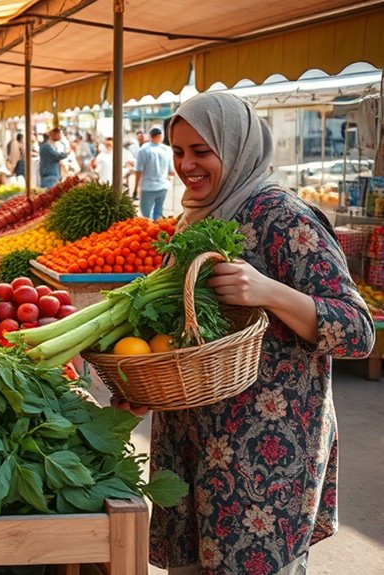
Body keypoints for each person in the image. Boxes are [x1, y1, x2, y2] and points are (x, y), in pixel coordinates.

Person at [112, 92, 374, 575]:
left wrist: (270, 291)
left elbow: (358, 330)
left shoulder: (284, 216)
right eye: (178, 151)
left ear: (237, 147)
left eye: (201, 151)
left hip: (263, 459)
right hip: (190, 447)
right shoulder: (193, 219)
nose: (185, 164)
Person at [133, 126, 174, 219]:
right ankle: (157, 232)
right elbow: (172, 172)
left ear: (150, 136)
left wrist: (135, 189)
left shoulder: (144, 149)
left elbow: (139, 170)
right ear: (161, 136)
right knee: (158, 213)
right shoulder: (167, 150)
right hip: (163, 186)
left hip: (148, 187)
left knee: (146, 216)